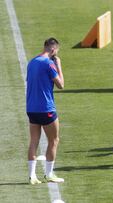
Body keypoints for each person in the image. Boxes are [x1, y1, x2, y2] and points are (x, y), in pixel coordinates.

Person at [26, 37, 65, 184]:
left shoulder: (32, 62)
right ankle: (49, 174)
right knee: (54, 140)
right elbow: (61, 84)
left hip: (31, 108)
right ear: (53, 50)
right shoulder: (49, 64)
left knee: (34, 141)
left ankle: (32, 176)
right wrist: (59, 66)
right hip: (46, 109)